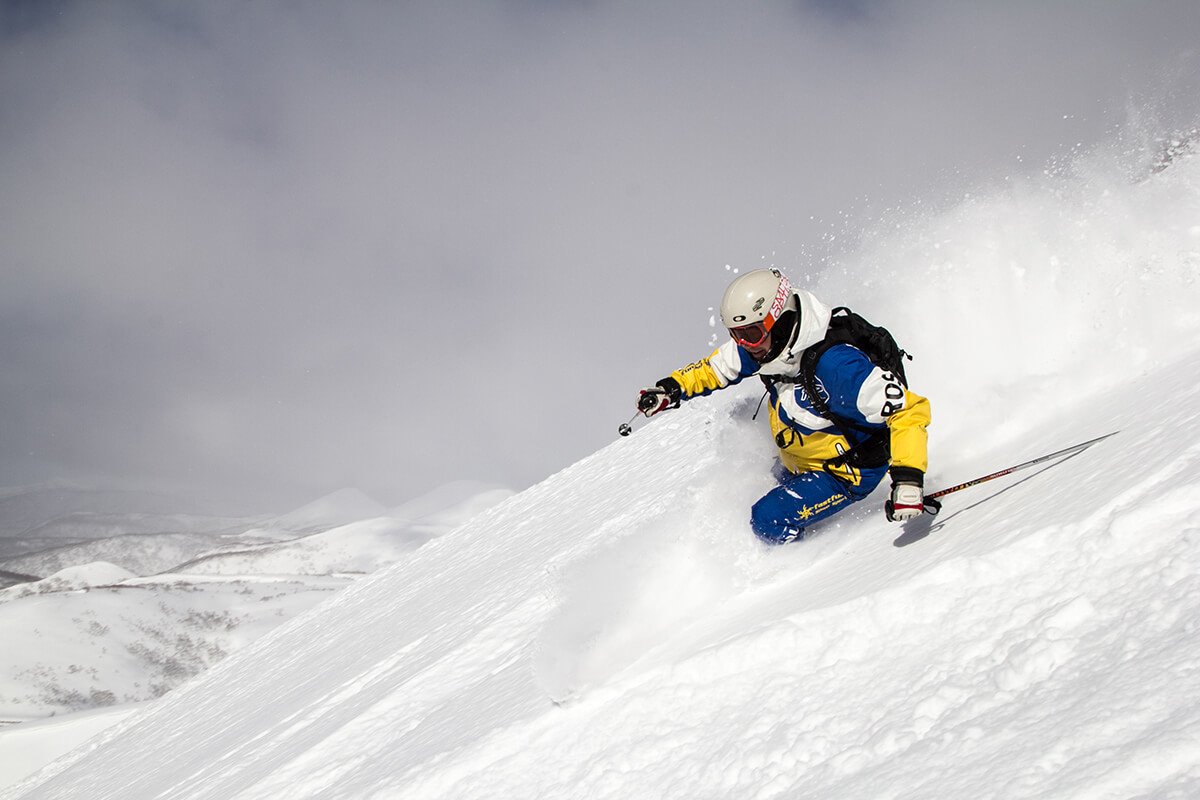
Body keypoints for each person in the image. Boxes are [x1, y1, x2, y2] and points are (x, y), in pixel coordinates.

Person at [636, 268, 931, 543]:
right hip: (803, 457)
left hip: (845, 471)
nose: (745, 344)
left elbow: (908, 409)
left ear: (778, 319)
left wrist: (908, 479)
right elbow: (716, 368)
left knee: (766, 520)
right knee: (764, 479)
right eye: (736, 335)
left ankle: (805, 570)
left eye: (750, 334)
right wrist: (670, 390)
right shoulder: (767, 346)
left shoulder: (837, 366)